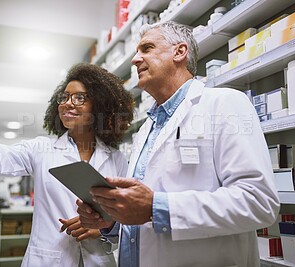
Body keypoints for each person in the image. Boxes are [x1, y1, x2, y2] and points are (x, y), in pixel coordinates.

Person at [75, 21, 281, 267]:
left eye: (147, 48)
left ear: (179, 52)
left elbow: (259, 202)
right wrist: (111, 221)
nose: (135, 59)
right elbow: (144, 219)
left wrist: (155, 208)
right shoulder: (146, 130)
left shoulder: (225, 104)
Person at [0, 23, 134, 267]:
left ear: (100, 105)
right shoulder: (41, 150)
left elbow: (128, 223)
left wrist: (102, 228)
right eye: (64, 97)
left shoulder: (116, 159)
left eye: (80, 97)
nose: (68, 103)